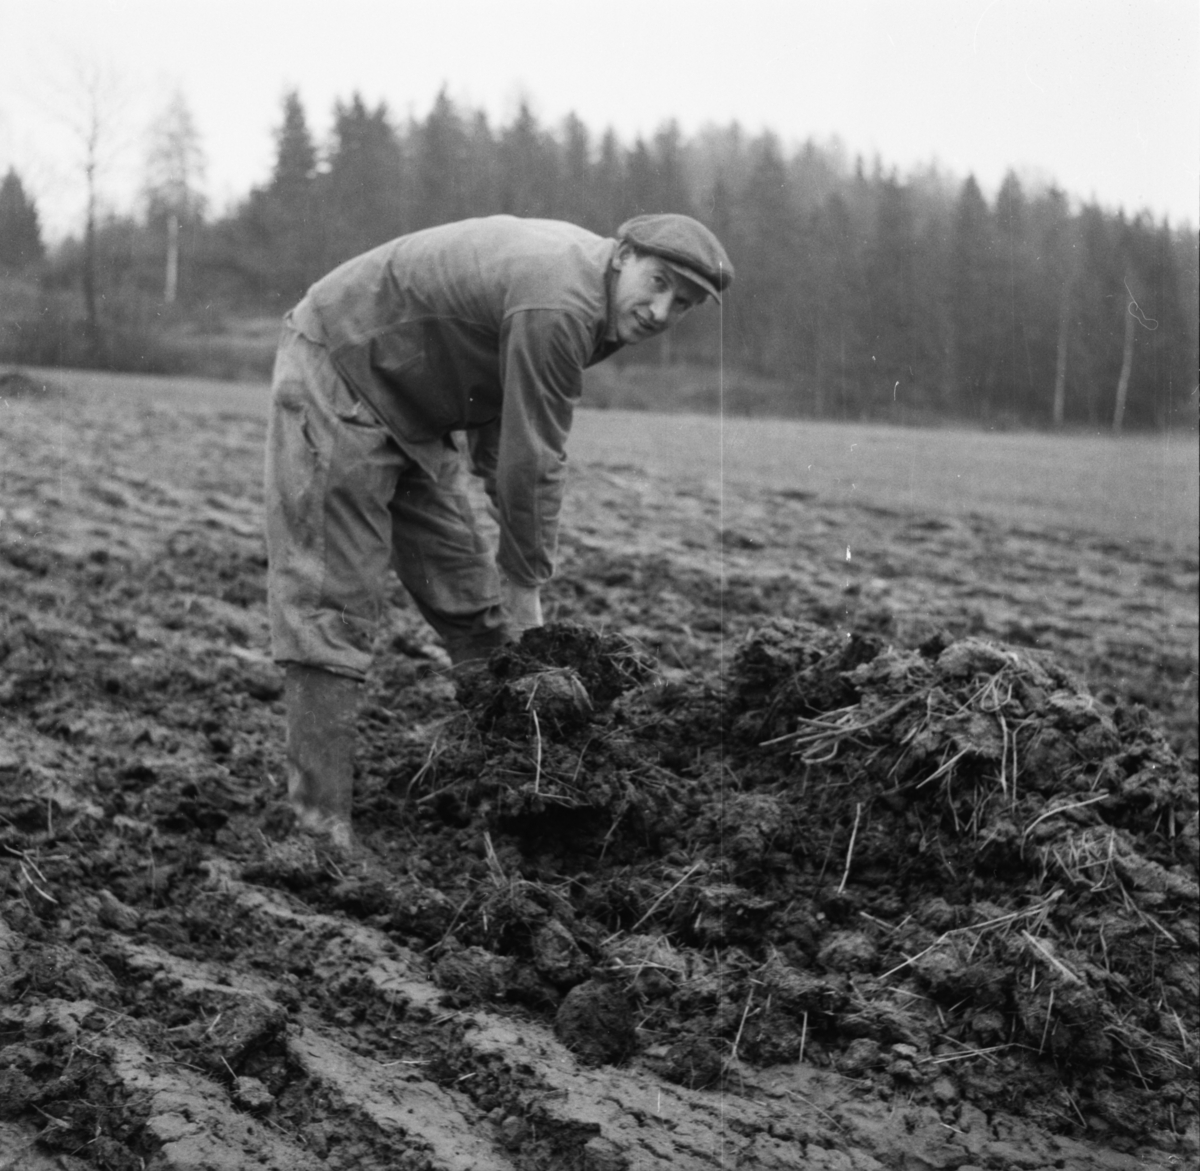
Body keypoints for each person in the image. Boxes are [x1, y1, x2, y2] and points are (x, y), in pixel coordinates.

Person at [264, 213, 734, 850]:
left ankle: (513, 792)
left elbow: (506, 420)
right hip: (342, 367)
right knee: (332, 599)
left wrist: (509, 585)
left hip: (416, 402)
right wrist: (528, 587)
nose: (658, 310)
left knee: (470, 602)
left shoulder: (597, 301)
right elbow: (534, 460)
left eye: (681, 304)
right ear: (623, 256)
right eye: (657, 283)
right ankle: (316, 829)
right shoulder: (563, 301)